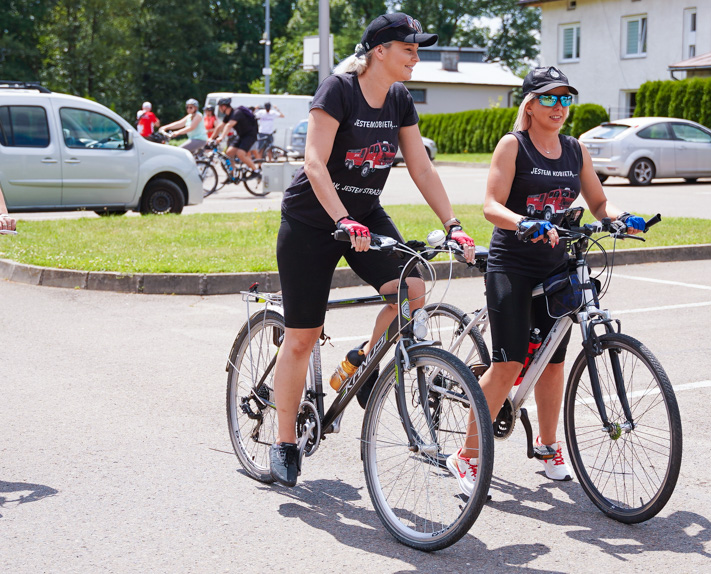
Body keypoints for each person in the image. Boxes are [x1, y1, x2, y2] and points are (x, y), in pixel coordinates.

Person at [268, 12, 476, 488]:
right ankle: (283, 442)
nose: (416, 57)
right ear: (379, 49)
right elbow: (315, 162)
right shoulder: (339, 89)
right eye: (409, 48)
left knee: (413, 288)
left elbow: (421, 168)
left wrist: (454, 224)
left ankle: (361, 360)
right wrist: (341, 219)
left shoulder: (399, 99)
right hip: (311, 220)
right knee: (303, 335)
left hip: (363, 215)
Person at [449, 67, 646, 496]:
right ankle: (467, 454)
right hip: (512, 264)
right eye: (550, 99)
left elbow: (597, 200)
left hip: (556, 266)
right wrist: (524, 222)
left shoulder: (575, 150)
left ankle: (547, 444)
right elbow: (490, 205)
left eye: (565, 99)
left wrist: (618, 217)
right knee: (509, 363)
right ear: (531, 104)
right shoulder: (512, 145)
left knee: (553, 362)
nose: (559, 107)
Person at [210, 98, 259, 175]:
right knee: (228, 153)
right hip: (241, 135)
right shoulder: (228, 116)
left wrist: (221, 137)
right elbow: (220, 127)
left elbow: (229, 125)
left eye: (220, 107)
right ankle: (232, 175)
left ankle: (256, 171)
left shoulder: (237, 113)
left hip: (250, 135)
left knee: (240, 154)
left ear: (224, 107)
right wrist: (211, 138)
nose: (219, 109)